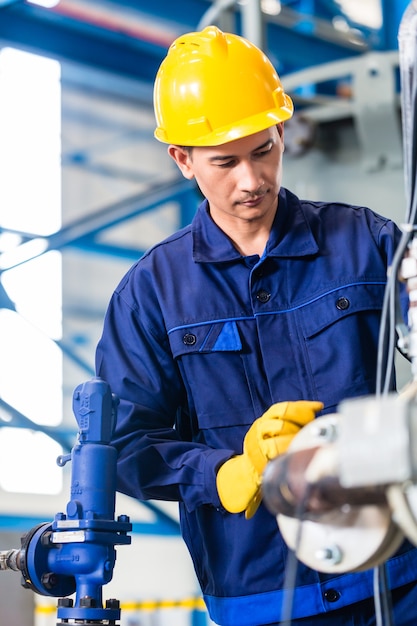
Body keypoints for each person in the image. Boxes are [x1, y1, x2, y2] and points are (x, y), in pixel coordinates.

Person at [95, 25, 417, 626]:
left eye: (263, 150)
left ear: (282, 133)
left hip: (396, 577)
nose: (251, 180)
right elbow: (124, 445)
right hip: (262, 599)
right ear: (182, 159)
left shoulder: (366, 242)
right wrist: (223, 472)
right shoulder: (150, 293)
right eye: (225, 161)